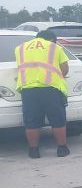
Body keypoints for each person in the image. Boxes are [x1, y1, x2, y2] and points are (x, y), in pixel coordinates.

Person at [15, 29, 71, 158]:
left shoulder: (20, 48)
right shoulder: (54, 47)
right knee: (58, 119)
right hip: (50, 87)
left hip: (27, 88)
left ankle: (33, 151)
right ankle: (62, 148)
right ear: (52, 39)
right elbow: (64, 68)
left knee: (31, 121)